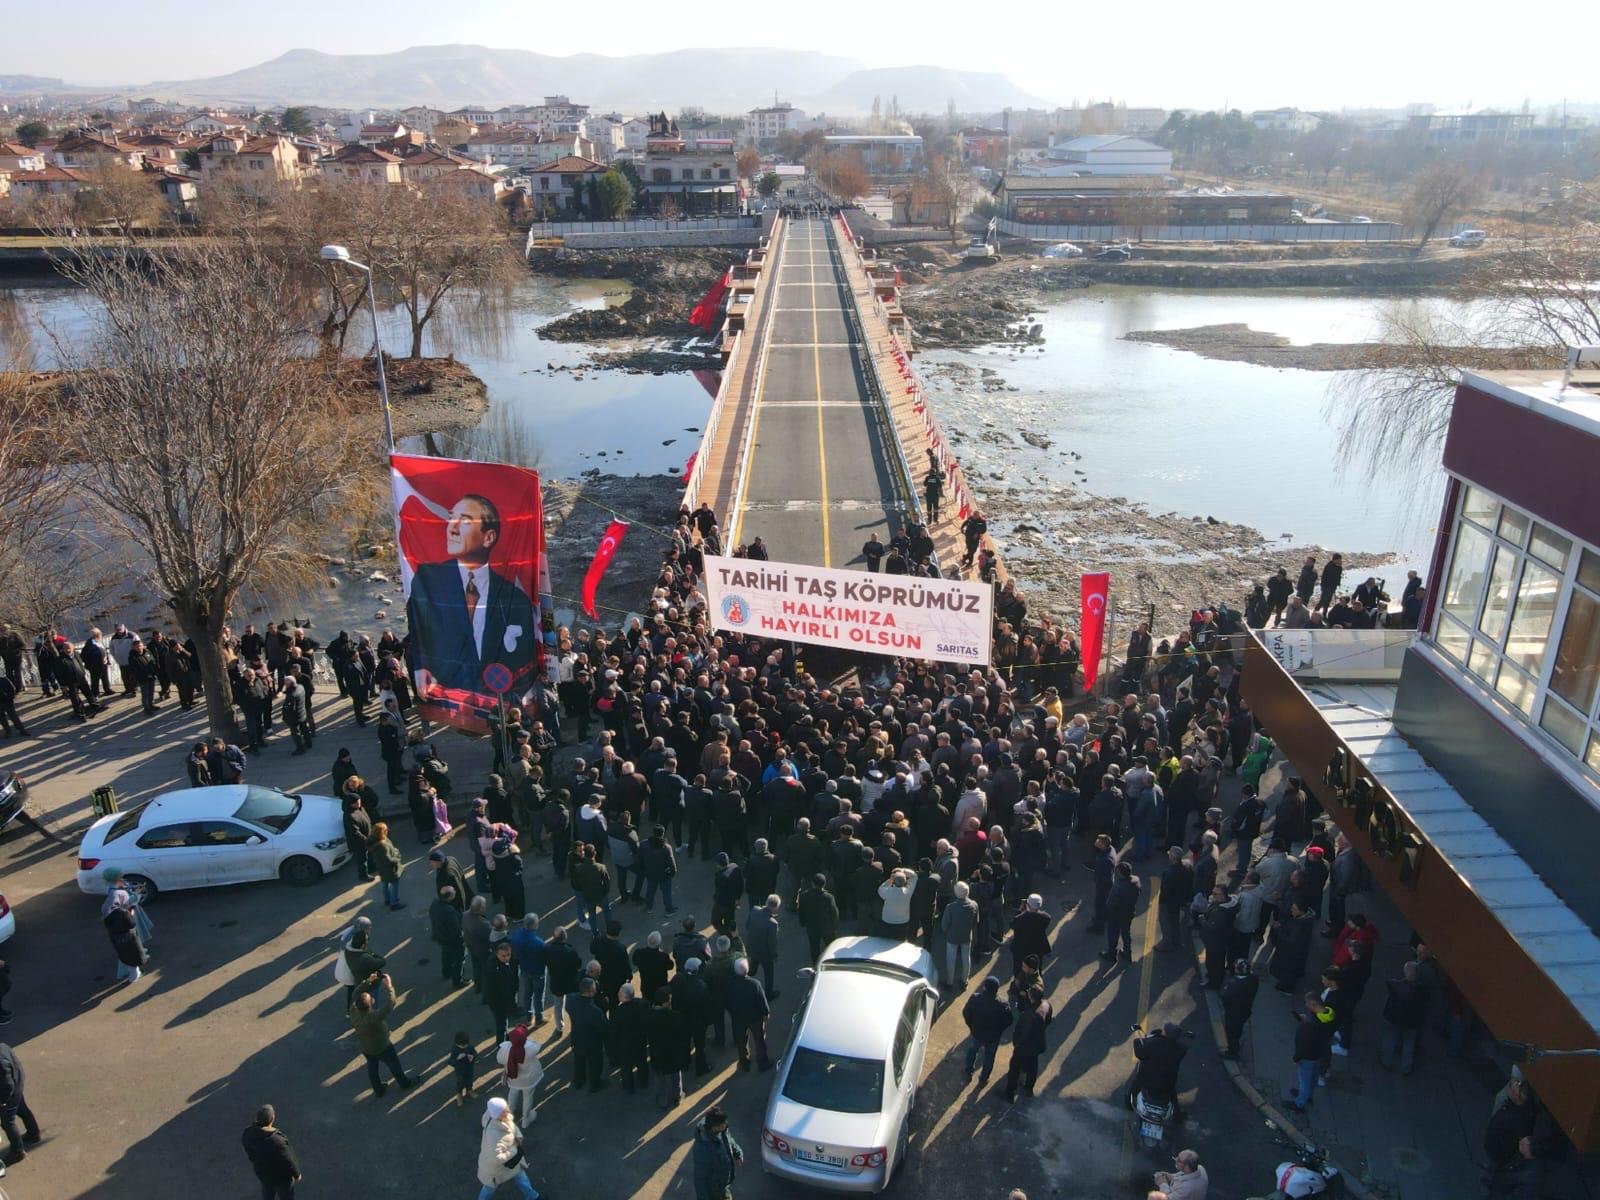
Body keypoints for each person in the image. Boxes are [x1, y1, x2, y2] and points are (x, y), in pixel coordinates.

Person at [405, 493, 538, 697]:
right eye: (451, 518)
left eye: (465, 521)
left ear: (488, 537)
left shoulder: (514, 599)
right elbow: (419, 631)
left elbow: (523, 658)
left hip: (495, 701)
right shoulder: (429, 580)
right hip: (446, 697)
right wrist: (421, 667)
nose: (452, 527)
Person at [347, 972, 415, 1096]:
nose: (372, 998)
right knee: (394, 1065)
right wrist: (389, 987)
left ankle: (378, 1089)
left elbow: (355, 993)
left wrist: (368, 981)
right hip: (382, 1046)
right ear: (369, 1005)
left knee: (372, 1068)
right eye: (370, 998)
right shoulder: (373, 1016)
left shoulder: (353, 1011)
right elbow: (390, 1004)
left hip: (366, 1047)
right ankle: (404, 1083)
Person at [475, 1097, 546, 1200]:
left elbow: (510, 1125)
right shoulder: (493, 1134)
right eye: (505, 1109)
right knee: (489, 1187)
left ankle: (533, 1197)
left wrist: (518, 1136)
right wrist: (515, 1149)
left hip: (508, 1163)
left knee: (521, 1178)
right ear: (498, 1114)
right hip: (495, 1169)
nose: (508, 1109)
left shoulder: (499, 1117)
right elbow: (498, 1158)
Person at [1287, 993, 1337, 1111]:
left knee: (1304, 1081)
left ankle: (1299, 1104)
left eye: (1308, 1003)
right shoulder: (1330, 1015)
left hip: (1308, 1056)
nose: (1306, 1005)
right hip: (1319, 1053)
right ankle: (1308, 1096)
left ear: (1314, 1004)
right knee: (1313, 1077)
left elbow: (1304, 1044)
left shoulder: (1311, 1025)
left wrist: (1296, 1058)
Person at [240, 1104, 301, 1200]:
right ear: (272, 1119)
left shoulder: (247, 1133)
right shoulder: (277, 1141)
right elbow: (288, 1160)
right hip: (281, 1179)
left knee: (267, 1192)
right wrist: (297, 1174)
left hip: (263, 1174)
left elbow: (250, 1153)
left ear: (257, 1119)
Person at [1004, 984, 1053, 1103]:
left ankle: (1010, 1093)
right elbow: (1048, 1021)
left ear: (1031, 998)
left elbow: (1021, 1034)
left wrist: (1017, 1044)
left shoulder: (1027, 1015)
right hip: (1038, 1044)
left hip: (1024, 1047)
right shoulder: (1046, 1005)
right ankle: (1029, 1088)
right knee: (1033, 1065)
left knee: (1015, 1068)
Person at [961, 976, 1013, 1088]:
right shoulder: (1003, 1005)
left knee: (972, 1051)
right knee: (989, 1057)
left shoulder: (975, 999)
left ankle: (968, 1072)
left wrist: (972, 1026)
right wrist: (999, 1030)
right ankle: (983, 1079)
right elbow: (1009, 1021)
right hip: (993, 1037)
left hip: (977, 1033)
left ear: (984, 987)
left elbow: (966, 1013)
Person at [1379, 961, 1428, 1075]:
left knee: (1390, 1038)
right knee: (1409, 1043)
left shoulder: (1396, 985)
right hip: (1413, 1021)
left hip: (1395, 1017)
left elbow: (1389, 983)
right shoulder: (1423, 989)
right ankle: (1406, 1067)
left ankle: (1386, 1061)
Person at [725, 958, 773, 1072]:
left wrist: (732, 1012)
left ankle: (744, 1063)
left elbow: (726, 1001)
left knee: (741, 1042)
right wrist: (765, 1013)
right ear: (747, 970)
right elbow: (762, 1001)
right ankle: (762, 1063)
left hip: (738, 1018)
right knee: (759, 1040)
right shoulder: (754, 984)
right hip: (755, 1018)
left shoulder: (730, 983)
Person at [691, 1105, 744, 1200]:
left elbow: (729, 1141)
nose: (726, 1124)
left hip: (724, 1186)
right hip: (713, 1193)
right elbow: (700, 1180)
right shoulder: (703, 1149)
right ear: (714, 1127)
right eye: (723, 1124)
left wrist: (737, 1152)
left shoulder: (723, 1131)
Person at [1131, 1023, 1188, 1110]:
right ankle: (1177, 1116)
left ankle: (1128, 1104)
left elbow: (1139, 1052)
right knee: (1173, 1096)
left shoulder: (1152, 1043)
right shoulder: (1180, 1050)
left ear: (1165, 1033)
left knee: (1134, 1088)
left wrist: (1137, 1039)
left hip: (1147, 1080)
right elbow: (1184, 1047)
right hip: (1167, 1083)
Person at [0, 1042, 40, 1165]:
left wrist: (2, 1102)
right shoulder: (2, 1046)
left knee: (8, 1122)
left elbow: (7, 1086)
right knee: (22, 1109)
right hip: (17, 1080)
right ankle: (34, 1133)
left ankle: (18, 1151)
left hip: (9, 1092)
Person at [497, 1024, 544, 1127]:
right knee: (528, 1096)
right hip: (529, 1079)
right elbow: (538, 1046)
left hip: (514, 1079)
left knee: (512, 1093)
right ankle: (525, 1119)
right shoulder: (530, 1048)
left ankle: (510, 1114)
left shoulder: (505, 1049)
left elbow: (499, 1059)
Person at [941, 880, 979, 987]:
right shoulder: (974, 905)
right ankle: (964, 980)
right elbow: (976, 922)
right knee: (966, 958)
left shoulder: (950, 907)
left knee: (950, 960)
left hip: (952, 937)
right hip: (967, 936)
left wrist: (946, 932)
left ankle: (949, 982)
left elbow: (944, 925)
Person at [743, 895, 782, 999]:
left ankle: (743, 982)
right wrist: (774, 955)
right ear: (775, 907)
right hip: (765, 954)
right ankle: (769, 994)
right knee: (768, 974)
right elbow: (772, 943)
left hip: (752, 948)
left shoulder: (754, 910)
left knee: (752, 969)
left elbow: (747, 926)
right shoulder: (773, 924)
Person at [1219, 959, 1259, 1060]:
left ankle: (1232, 1052)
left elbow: (1224, 996)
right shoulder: (1253, 979)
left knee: (1232, 1032)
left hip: (1233, 1014)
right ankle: (1235, 1045)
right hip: (1245, 1011)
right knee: (1238, 1029)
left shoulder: (1233, 985)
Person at [1101, 861, 1140, 962]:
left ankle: (1111, 954)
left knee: (1113, 934)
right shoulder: (1136, 880)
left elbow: (1111, 903)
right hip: (1129, 912)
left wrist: (1107, 911)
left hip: (1116, 915)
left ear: (1121, 874)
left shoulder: (1119, 887)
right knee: (1126, 932)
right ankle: (1127, 952)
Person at [430, 886, 467, 987]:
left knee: (446, 954)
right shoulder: (449, 911)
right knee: (459, 960)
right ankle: (458, 981)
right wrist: (461, 939)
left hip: (440, 936)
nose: (455, 891)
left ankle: (446, 972)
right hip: (452, 940)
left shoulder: (435, 904)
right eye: (453, 891)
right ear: (449, 896)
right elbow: (456, 929)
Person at [368, 822, 404, 910]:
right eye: (386, 830)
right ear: (382, 832)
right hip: (390, 870)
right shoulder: (382, 845)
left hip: (382, 869)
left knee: (385, 884)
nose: (387, 831)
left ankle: (387, 900)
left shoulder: (374, 842)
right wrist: (397, 858)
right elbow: (388, 860)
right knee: (394, 885)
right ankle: (394, 903)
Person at [450, 1031, 478, 1108]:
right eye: (461, 1045)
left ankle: (469, 1090)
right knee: (460, 1083)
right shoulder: (455, 1050)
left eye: (465, 1045)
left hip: (469, 1069)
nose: (463, 1047)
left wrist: (472, 1057)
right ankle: (459, 1095)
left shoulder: (470, 1047)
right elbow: (451, 1062)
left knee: (470, 1080)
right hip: (460, 1071)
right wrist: (457, 1059)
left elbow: (475, 1054)